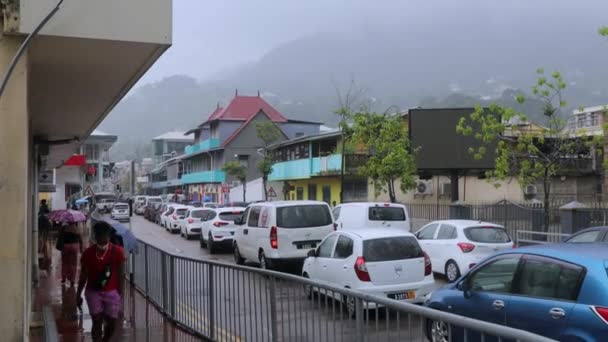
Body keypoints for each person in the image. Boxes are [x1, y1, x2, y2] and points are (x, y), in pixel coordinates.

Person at [77, 221, 125, 342]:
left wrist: (120, 294)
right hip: (93, 292)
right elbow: (83, 275)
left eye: (104, 235)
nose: (102, 239)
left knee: (112, 322)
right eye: (99, 235)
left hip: (112, 293)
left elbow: (121, 274)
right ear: (95, 236)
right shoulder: (88, 253)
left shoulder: (118, 252)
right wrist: (78, 294)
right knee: (96, 321)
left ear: (109, 236)